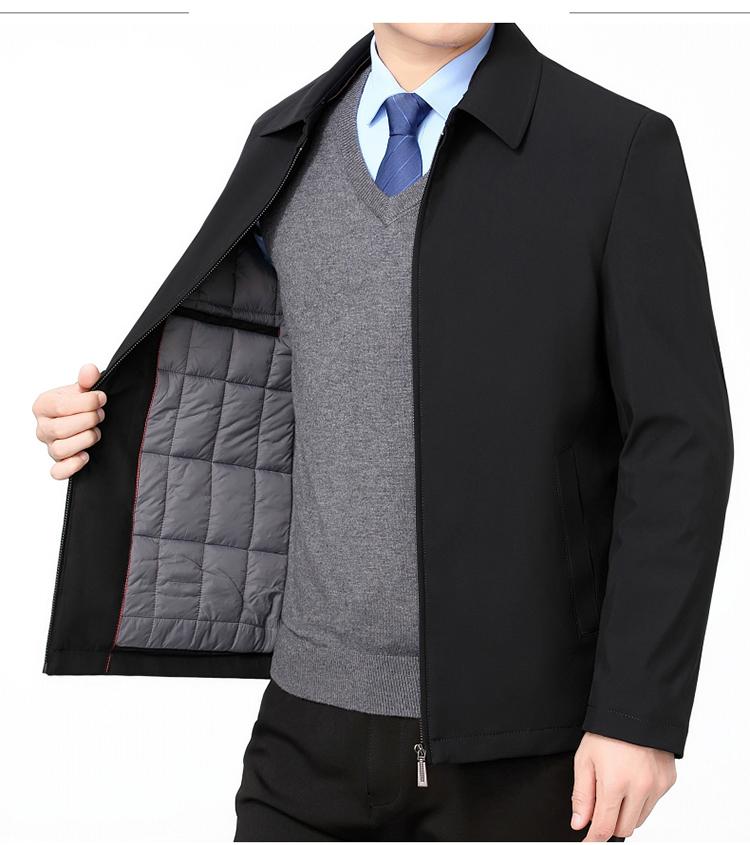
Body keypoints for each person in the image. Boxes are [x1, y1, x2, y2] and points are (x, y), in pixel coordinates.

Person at [32, 22, 733, 842]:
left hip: (528, 747)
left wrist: (637, 713)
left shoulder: (616, 147)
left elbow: (679, 439)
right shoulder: (285, 144)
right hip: (304, 732)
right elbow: (252, 376)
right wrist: (105, 420)